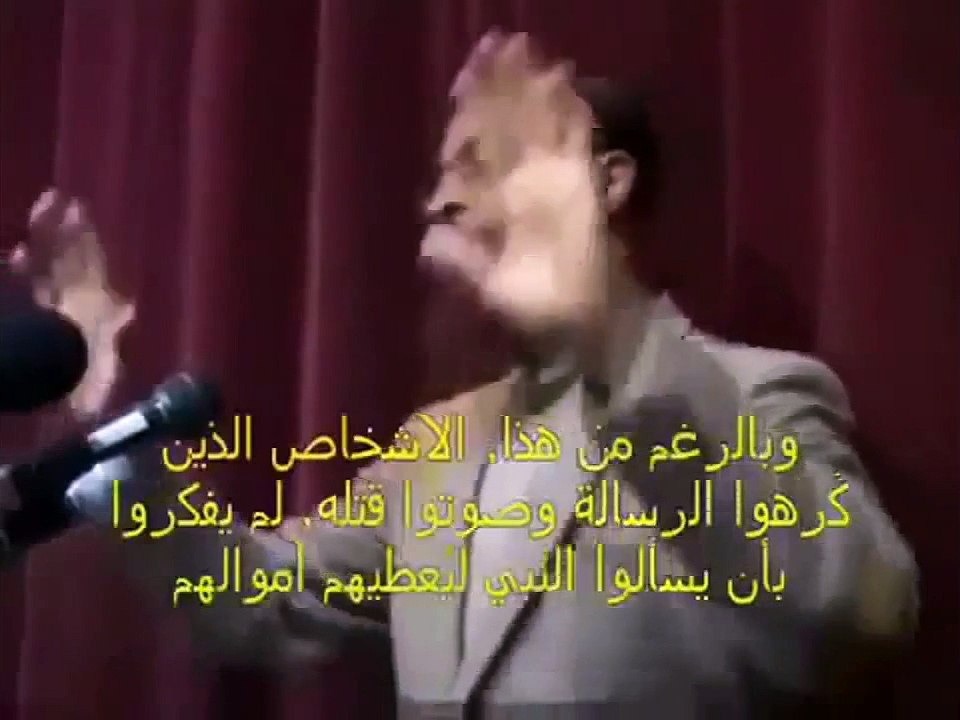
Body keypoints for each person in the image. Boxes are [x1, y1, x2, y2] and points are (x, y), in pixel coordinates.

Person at [64, 31, 917, 719]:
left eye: (475, 164)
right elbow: (255, 598)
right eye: (440, 176)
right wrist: (116, 436)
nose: (437, 201)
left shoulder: (760, 394)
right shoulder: (435, 444)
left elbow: (862, 619)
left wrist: (605, 328)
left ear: (607, 182)